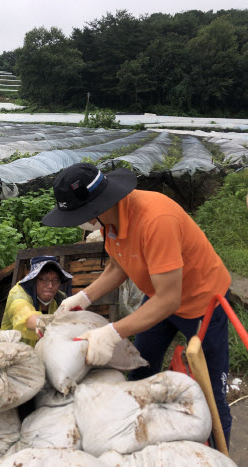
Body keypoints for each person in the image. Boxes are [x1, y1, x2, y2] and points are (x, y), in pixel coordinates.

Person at [42, 162, 232, 448]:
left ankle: (219, 453)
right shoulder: (111, 221)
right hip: (158, 297)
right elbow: (118, 268)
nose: (83, 222)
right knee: (141, 368)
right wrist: (82, 298)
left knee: (212, 394)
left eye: (83, 215)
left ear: (99, 204)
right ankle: (143, 436)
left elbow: (171, 299)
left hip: (202, 304)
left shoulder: (156, 219)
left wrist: (112, 332)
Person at [0, 255, 72, 347]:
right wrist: (56, 324)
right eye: (44, 279)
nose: (50, 285)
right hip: (11, 353)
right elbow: (27, 318)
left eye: (55, 280)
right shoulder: (18, 294)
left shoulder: (60, 298)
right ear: (33, 280)